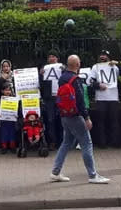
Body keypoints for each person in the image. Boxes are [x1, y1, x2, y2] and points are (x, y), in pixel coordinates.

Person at [49, 54, 109, 184]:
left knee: (66, 143)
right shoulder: (75, 80)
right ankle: (93, 175)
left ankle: (56, 172)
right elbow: (80, 101)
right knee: (87, 143)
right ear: (77, 65)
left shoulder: (62, 78)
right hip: (76, 116)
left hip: (64, 114)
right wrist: (86, 117)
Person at [89, 50, 121, 148]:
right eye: (101, 55)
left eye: (105, 56)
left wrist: (117, 64)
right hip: (101, 98)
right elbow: (90, 81)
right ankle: (102, 142)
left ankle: (115, 142)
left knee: (114, 120)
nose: (103, 57)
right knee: (101, 121)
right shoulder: (95, 67)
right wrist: (98, 85)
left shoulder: (114, 67)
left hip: (113, 97)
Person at [39, 51, 63, 148]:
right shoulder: (44, 69)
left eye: (53, 56)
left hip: (60, 96)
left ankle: (62, 141)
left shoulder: (62, 68)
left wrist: (64, 70)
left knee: (62, 119)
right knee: (50, 120)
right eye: (50, 57)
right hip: (49, 98)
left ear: (57, 59)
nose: (52, 58)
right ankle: (52, 142)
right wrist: (40, 75)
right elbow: (39, 84)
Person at [0, 82, 18, 153]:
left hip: (12, 120)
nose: (7, 92)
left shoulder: (14, 99)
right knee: (4, 133)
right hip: (3, 120)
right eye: (6, 90)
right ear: (2, 91)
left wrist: (16, 114)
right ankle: (4, 147)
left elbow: (17, 108)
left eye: (9, 90)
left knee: (12, 132)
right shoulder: (0, 99)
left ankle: (12, 146)